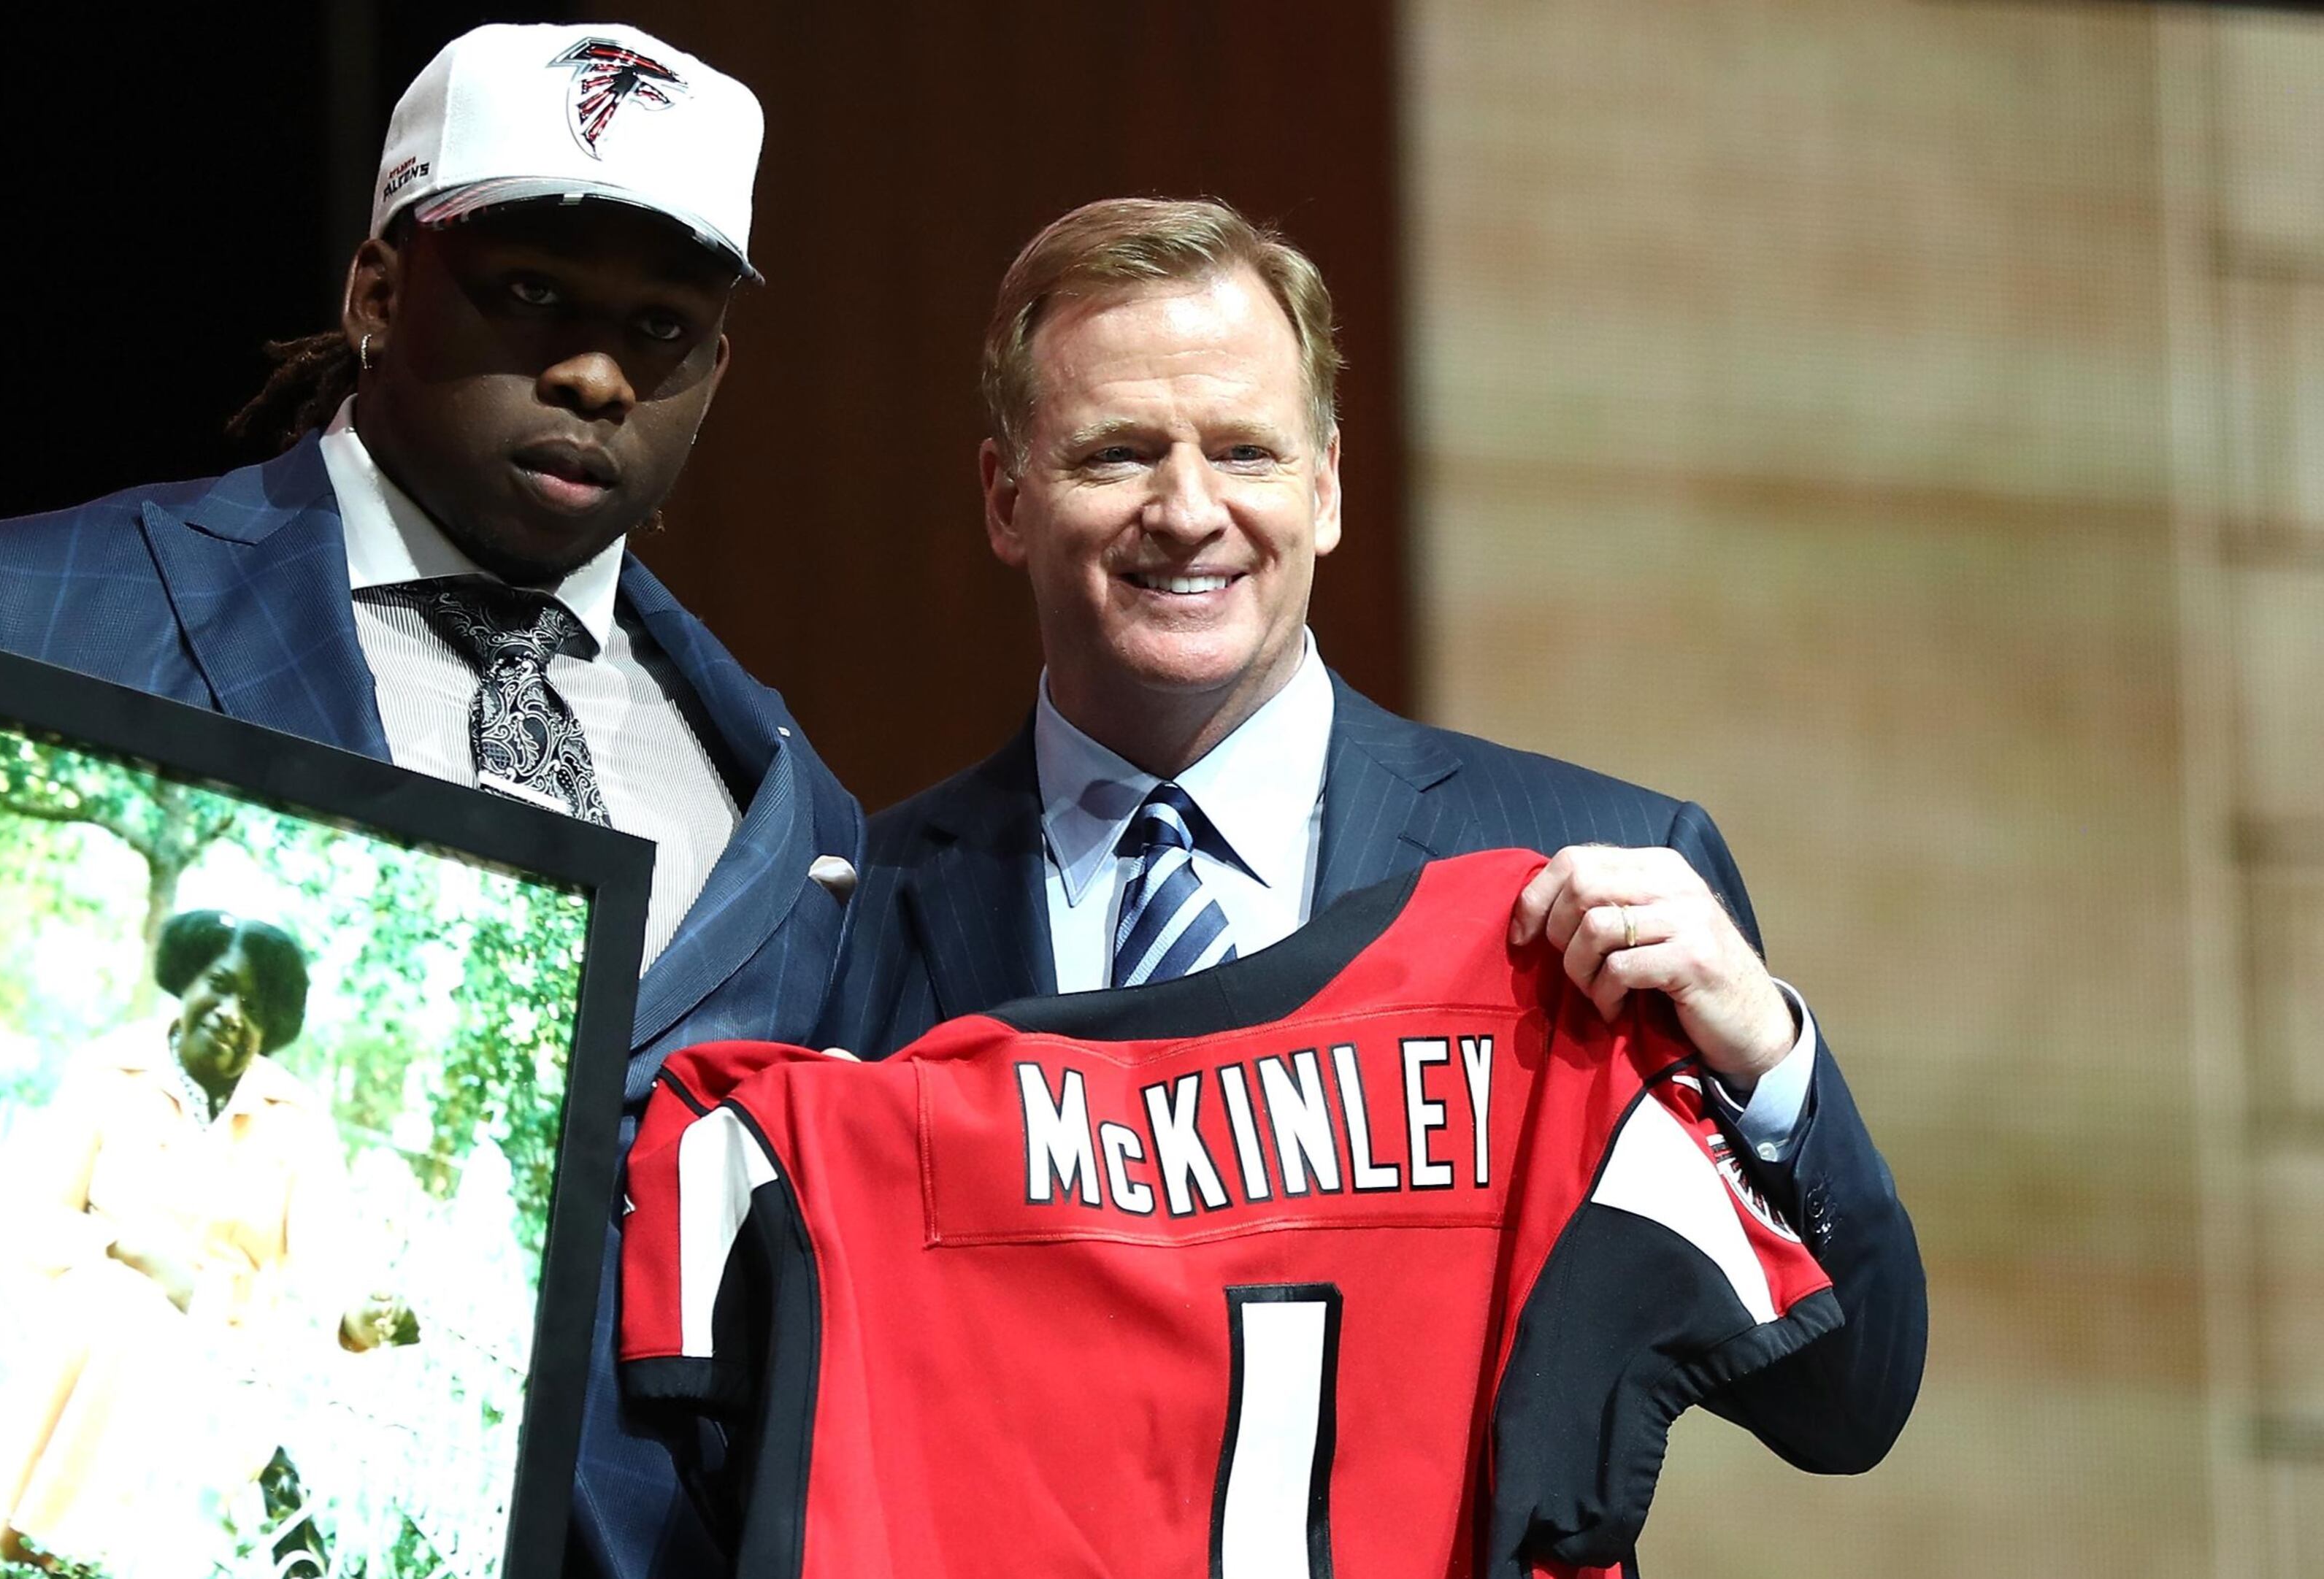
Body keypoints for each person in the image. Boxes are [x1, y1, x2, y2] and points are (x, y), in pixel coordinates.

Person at [0, 23, 857, 1579]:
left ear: (718, 373)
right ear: (378, 290)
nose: (596, 372)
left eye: (662, 330)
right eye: (530, 295)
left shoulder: (796, 823)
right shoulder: (51, 613)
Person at [818, 197, 1925, 1475]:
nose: (1187, 511)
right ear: (1006, 498)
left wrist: (1770, 1068)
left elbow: (1848, 1399)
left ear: (1328, 486)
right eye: (1119, 453)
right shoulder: (854, 917)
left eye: (1245, 452)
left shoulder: (1589, 864)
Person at [0, 912, 407, 1578]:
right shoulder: (110, 1072)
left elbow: (328, 1246)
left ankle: (57, 1558)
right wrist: (136, 1254)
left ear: (271, 1027)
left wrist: (355, 1315)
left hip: (227, 1352)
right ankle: (54, 1556)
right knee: (129, 1316)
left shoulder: (296, 1119)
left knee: (163, 1352)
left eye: (254, 1005)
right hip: (96, 1321)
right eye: (221, 984)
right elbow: (34, 1215)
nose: (231, 1012)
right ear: (187, 977)